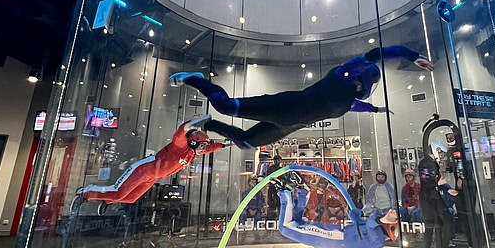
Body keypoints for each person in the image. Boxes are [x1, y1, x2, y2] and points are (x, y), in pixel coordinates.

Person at [169, 45, 433, 148]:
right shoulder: (341, 75)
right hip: (285, 106)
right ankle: (195, 79)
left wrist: (377, 111)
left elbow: (360, 107)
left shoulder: (349, 102)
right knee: (225, 106)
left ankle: (207, 124)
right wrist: (411, 56)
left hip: (289, 125)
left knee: (246, 143)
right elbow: (376, 54)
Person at [70, 120, 223, 213]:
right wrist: (189, 124)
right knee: (118, 192)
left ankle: (108, 200)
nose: (204, 149)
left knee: (130, 199)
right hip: (144, 169)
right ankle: (84, 193)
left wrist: (224, 144)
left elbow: (211, 148)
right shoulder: (179, 145)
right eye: (202, 145)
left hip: (152, 178)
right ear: (194, 142)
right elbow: (180, 133)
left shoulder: (193, 152)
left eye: (204, 146)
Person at [276, 184, 399, 248]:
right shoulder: (373, 236)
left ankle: (301, 193)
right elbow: (360, 220)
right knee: (286, 228)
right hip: (335, 239)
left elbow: (370, 224)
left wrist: (382, 219)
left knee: (300, 226)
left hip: (335, 240)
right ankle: (286, 194)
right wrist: (360, 213)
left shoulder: (378, 241)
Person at [417, 155, 459, 248]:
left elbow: (439, 181)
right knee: (429, 230)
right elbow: (426, 182)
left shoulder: (433, 163)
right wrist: (438, 184)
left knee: (447, 221)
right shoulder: (425, 164)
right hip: (428, 202)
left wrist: (447, 189)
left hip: (436, 200)